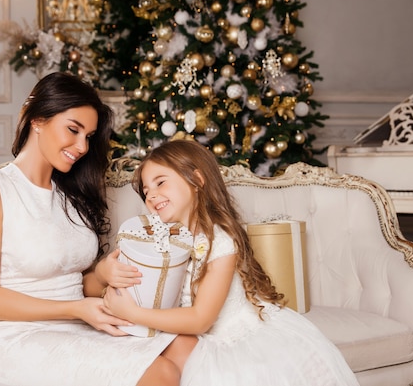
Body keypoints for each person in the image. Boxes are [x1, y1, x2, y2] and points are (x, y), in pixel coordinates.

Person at [0, 72, 195, 386]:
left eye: (88, 136)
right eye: (73, 130)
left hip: (80, 322)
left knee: (189, 349)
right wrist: (77, 310)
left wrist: (101, 275)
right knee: (161, 373)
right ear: (37, 119)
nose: (82, 146)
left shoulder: (73, 194)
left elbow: (75, 283)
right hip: (13, 335)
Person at [103, 139, 360, 386]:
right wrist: (110, 276)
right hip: (189, 331)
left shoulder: (220, 240)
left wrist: (132, 313)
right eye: (146, 191)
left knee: (189, 357)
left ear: (197, 180)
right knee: (156, 358)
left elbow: (201, 319)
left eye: (160, 183)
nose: (151, 196)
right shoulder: (161, 242)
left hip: (230, 335)